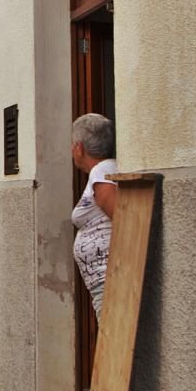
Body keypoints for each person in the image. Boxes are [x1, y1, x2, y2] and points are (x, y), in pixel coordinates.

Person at [71, 113, 118, 319]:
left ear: (79, 148)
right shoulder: (104, 170)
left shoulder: (102, 171)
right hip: (105, 279)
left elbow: (121, 216)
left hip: (109, 280)